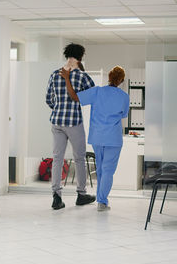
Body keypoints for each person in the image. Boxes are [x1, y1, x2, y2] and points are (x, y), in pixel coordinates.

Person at [60, 66, 129, 211]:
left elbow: (75, 97)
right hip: (113, 138)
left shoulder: (97, 91)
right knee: (108, 170)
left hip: (98, 137)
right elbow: (123, 115)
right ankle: (102, 202)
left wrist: (67, 78)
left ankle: (101, 200)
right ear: (121, 80)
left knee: (101, 170)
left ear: (109, 77)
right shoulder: (124, 96)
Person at [45, 43, 96, 210]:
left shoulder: (54, 74)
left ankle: (56, 197)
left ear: (67, 55)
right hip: (73, 121)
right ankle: (81, 194)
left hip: (57, 121)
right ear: (80, 57)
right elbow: (92, 93)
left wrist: (60, 109)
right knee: (79, 158)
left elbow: (48, 100)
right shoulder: (81, 76)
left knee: (57, 158)